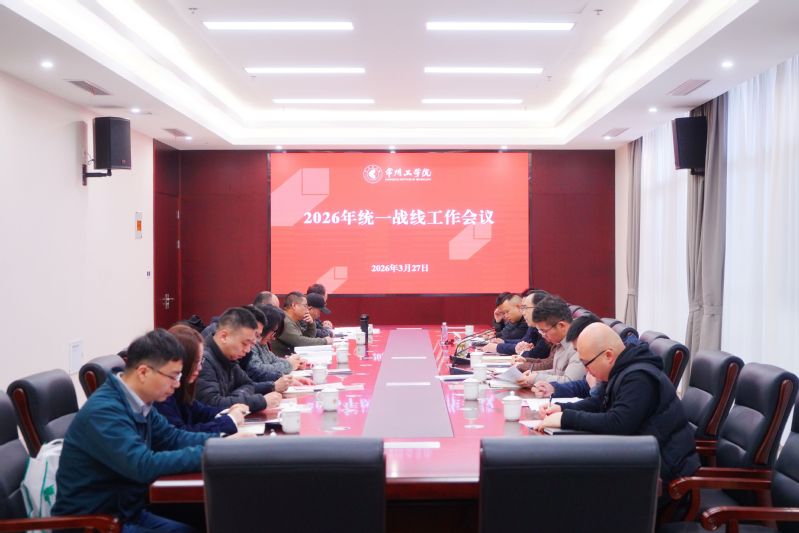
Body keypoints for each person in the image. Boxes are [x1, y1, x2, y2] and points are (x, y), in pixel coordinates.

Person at [52, 329, 218, 532]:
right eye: (173, 376)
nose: (177, 384)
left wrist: (221, 444)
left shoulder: (139, 402)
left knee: (204, 522)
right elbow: (142, 465)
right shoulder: (104, 412)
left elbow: (173, 438)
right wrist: (209, 454)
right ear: (143, 372)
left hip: (126, 513)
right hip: (94, 523)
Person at [537, 322, 700, 488]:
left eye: (587, 363)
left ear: (608, 355)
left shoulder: (639, 376)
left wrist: (565, 418)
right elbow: (600, 403)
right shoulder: (622, 368)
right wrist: (562, 408)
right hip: (639, 458)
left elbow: (618, 423)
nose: (586, 370)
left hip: (664, 472)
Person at [154, 324, 248, 435]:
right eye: (196, 362)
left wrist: (229, 411)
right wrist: (230, 420)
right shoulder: (162, 394)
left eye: (200, 361)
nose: (200, 368)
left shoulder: (180, 388)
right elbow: (181, 435)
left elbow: (200, 411)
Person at [195, 307, 283, 411]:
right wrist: (261, 401)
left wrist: (235, 397)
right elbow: (212, 404)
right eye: (244, 343)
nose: (247, 350)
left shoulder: (229, 356)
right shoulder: (203, 361)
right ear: (224, 336)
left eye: (250, 344)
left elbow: (247, 384)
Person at [516, 295, 586, 385]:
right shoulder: (560, 342)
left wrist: (536, 378)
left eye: (544, 331)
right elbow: (557, 372)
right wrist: (534, 374)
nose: (543, 335)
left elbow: (570, 381)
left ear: (561, 325)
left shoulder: (579, 344)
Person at [488, 290, 549, 357]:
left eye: (525, 308)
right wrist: (503, 341)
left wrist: (498, 347)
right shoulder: (531, 324)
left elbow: (537, 353)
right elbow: (524, 341)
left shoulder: (542, 326)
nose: (523, 312)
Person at [272, 291, 333, 356]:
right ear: (294, 306)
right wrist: (324, 341)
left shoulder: (293, 320)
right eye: (305, 306)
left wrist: (311, 324)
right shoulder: (284, 320)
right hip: (283, 359)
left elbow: (307, 337)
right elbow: (300, 342)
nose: (308, 310)